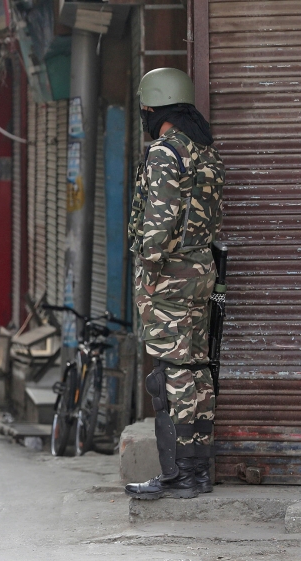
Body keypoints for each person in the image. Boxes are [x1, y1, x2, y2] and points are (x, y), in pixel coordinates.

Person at [125, 68, 224, 500]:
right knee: (195, 369)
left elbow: (157, 226)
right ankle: (197, 472)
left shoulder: (166, 152)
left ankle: (179, 475)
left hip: (169, 278)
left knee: (172, 376)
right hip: (200, 272)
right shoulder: (203, 151)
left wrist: (147, 273)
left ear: (153, 106)